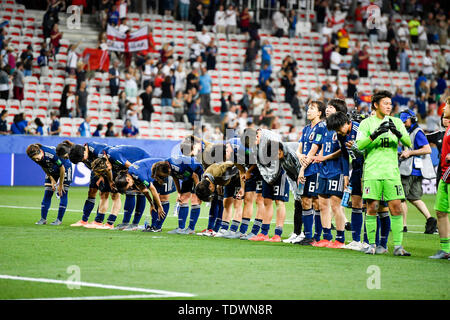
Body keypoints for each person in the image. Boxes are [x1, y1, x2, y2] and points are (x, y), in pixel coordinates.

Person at [355, 90, 412, 256]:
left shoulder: (396, 122)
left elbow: (408, 142)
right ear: (376, 105)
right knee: (371, 208)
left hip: (391, 172)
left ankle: (398, 247)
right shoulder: (366, 123)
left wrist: (398, 132)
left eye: (390, 103)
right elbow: (360, 146)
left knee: (396, 208)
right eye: (385, 103)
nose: (389, 106)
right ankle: (372, 245)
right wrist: (375, 134)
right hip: (372, 172)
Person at [311, 100, 349, 249]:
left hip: (337, 170)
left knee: (335, 205)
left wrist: (324, 157)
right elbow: (321, 147)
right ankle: (326, 237)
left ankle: (339, 239)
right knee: (322, 205)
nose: (327, 110)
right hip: (323, 171)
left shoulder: (342, 129)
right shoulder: (323, 128)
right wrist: (318, 157)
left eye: (331, 108)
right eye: (327, 108)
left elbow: (343, 151)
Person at [90, 145, 152, 230]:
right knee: (129, 190)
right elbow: (108, 169)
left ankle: (134, 223)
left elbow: (132, 167)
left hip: (141, 161)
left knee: (137, 191)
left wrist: (137, 180)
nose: (108, 171)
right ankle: (126, 222)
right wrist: (111, 181)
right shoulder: (104, 157)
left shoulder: (114, 155)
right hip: (133, 162)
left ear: (107, 163)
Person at [398, 110, 437, 234]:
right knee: (414, 198)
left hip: (409, 170)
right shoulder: (412, 131)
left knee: (401, 198)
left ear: (412, 119)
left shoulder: (417, 132)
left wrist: (410, 152)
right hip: (415, 170)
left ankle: (402, 226)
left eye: (405, 121)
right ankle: (430, 219)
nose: (403, 124)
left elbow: (427, 149)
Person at [152, 156, 204, 234]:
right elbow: (175, 177)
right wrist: (179, 192)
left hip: (197, 173)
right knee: (182, 199)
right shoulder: (166, 165)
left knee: (195, 200)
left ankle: (191, 229)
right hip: (188, 176)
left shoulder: (178, 167)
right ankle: (181, 229)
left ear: (168, 170)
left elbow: (194, 176)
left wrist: (199, 192)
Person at [26, 143, 72, 225]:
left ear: (40, 151)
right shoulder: (35, 158)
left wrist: (60, 185)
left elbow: (62, 168)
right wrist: (52, 179)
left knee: (63, 193)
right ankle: (43, 219)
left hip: (65, 167)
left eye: (37, 158)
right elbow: (43, 166)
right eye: (34, 159)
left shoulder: (51, 154)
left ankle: (59, 220)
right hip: (50, 169)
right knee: (47, 192)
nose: (37, 160)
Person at [66, 141, 109, 227]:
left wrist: (103, 177)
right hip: (95, 171)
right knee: (91, 192)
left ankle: (98, 221)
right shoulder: (80, 151)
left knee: (103, 194)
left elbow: (107, 164)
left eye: (82, 159)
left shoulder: (98, 150)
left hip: (106, 170)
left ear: (84, 151)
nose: (83, 160)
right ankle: (84, 220)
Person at [429, 97, 450, 259]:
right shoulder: (447, 129)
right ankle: (445, 249)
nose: (444, 109)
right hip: (445, 175)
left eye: (447, 106)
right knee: (440, 211)